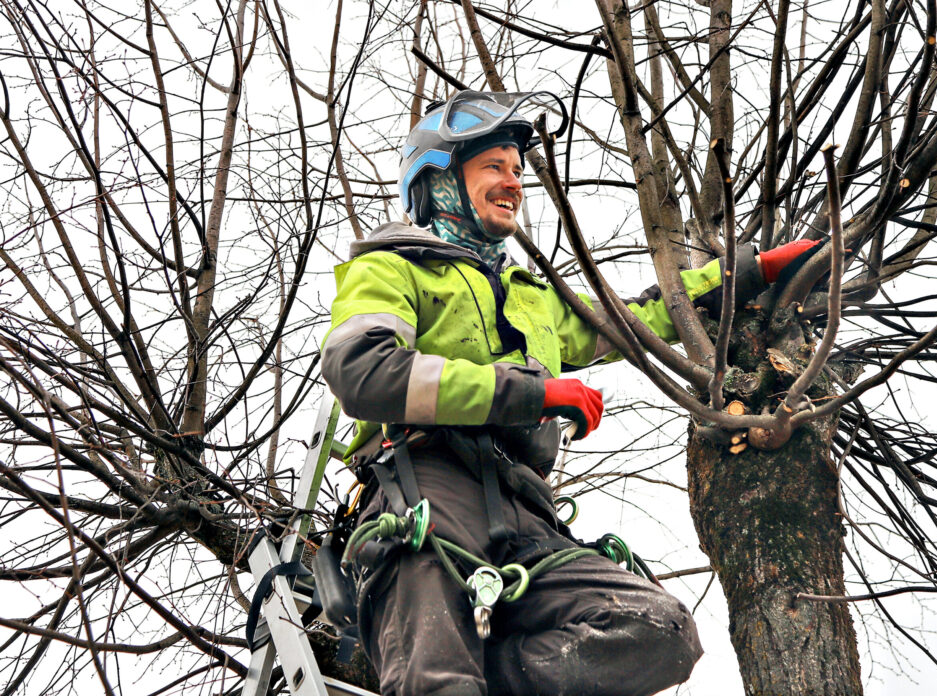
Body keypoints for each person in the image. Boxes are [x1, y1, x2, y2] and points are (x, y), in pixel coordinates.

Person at [320, 91, 819, 696]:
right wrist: (530, 394)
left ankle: (490, 677)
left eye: (517, 169)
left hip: (529, 515)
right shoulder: (394, 267)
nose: (514, 183)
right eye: (494, 167)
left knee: (659, 631)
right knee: (440, 683)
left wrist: (749, 271)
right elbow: (362, 370)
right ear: (441, 180)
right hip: (428, 495)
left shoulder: (532, 298)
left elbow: (638, 316)